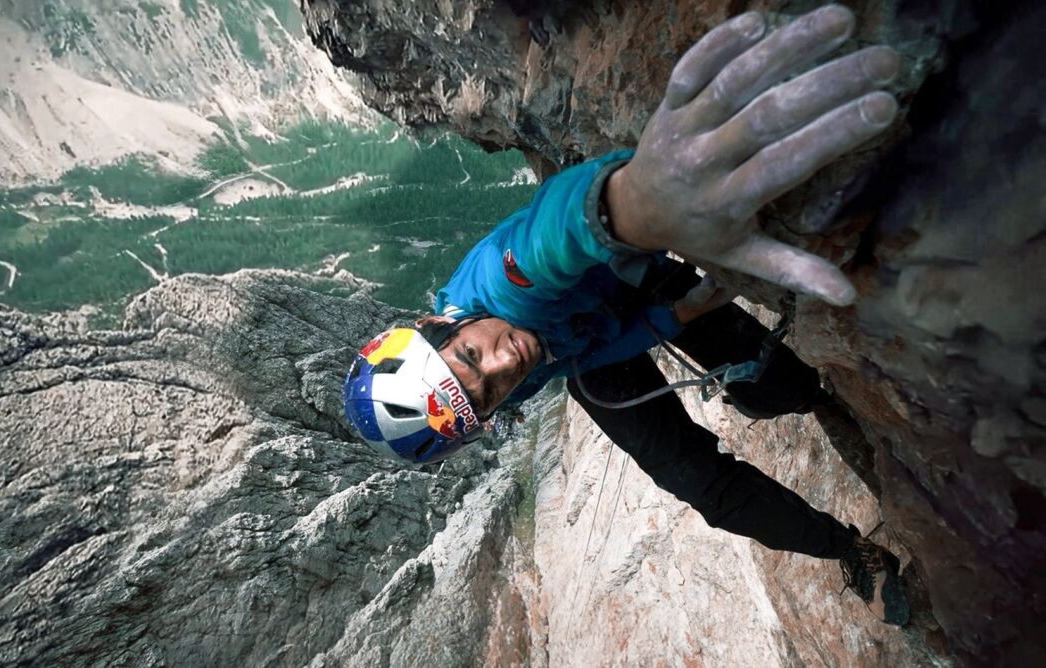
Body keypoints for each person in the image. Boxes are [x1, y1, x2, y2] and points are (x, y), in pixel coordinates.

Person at [342, 6, 910, 626]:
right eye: (487, 394)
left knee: (779, 387)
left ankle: (814, 395)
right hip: (599, 339)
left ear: (436, 327)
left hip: (624, 264)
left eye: (470, 356)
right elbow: (571, 357)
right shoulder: (502, 378)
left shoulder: (500, 290)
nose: (507, 362)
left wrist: (634, 201)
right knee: (702, 486)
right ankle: (851, 549)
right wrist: (673, 320)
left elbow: (549, 238)